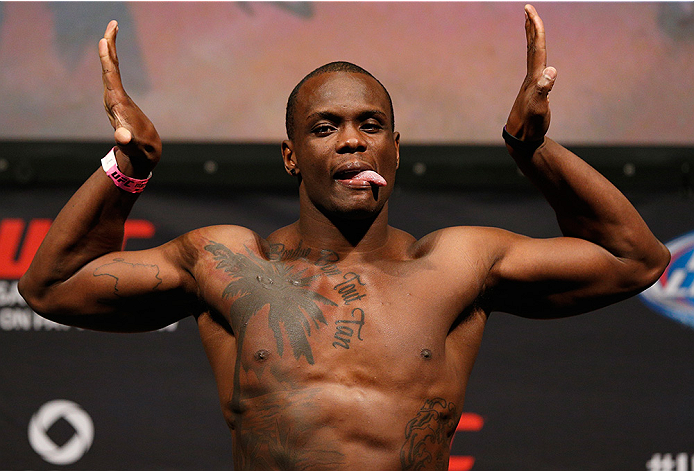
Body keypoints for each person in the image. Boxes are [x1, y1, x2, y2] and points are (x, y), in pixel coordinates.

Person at [19, 4, 669, 470]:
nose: (353, 139)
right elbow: (51, 285)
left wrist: (531, 148)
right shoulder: (228, 262)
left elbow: (634, 256)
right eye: (325, 126)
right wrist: (129, 168)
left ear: (394, 149)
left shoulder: (457, 263)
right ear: (291, 155)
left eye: (371, 123)